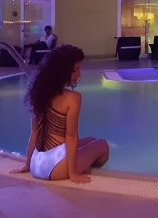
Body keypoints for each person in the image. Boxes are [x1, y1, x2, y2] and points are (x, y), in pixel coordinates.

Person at [10, 45, 109, 183]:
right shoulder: (72, 98)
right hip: (56, 168)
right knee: (103, 144)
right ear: (62, 71)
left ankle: (80, 164)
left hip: (35, 164)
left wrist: (27, 164)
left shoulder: (37, 94)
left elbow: (34, 133)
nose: (79, 75)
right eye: (75, 70)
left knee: (91, 140)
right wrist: (73, 173)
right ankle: (81, 168)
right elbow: (71, 136)